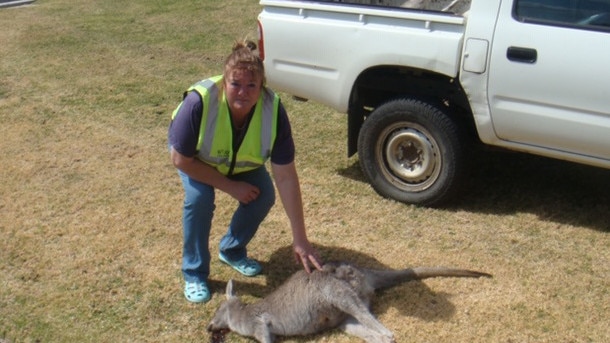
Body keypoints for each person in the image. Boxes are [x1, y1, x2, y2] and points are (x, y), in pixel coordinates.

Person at [168, 40, 323, 303]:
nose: (243, 92)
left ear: (261, 86)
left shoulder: (273, 110)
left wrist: (300, 238)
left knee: (264, 194)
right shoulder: (200, 102)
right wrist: (230, 186)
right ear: (224, 82)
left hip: (240, 161)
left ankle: (232, 250)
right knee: (199, 199)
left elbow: (285, 176)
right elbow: (180, 159)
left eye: (252, 85)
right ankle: (194, 273)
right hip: (196, 159)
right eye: (235, 84)